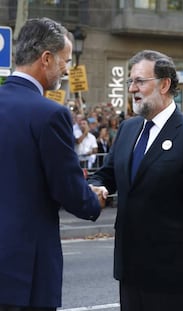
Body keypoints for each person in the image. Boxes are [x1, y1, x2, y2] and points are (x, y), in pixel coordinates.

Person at [88, 49, 183, 311]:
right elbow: (108, 173)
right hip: (129, 268)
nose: (132, 89)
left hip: (171, 273)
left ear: (164, 84)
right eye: (130, 82)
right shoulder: (128, 128)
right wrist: (99, 186)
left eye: (139, 81)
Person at [0, 17, 102, 310]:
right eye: (65, 61)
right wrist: (93, 200)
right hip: (24, 273)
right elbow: (66, 186)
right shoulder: (49, 114)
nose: (67, 69)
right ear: (46, 59)